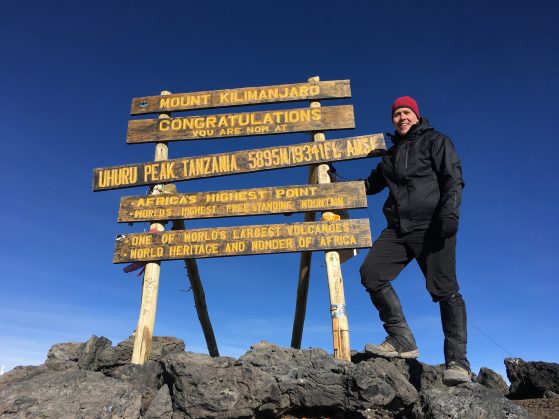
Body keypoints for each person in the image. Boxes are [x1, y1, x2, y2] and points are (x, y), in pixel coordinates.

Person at [359, 96, 470, 385]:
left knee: (445, 290)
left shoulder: (436, 141)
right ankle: (401, 338)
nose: (402, 117)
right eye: (396, 114)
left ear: (417, 116)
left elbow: (452, 177)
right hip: (398, 228)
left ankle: (457, 362)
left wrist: (450, 213)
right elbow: (370, 186)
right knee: (371, 273)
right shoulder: (390, 155)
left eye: (406, 112)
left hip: (433, 224)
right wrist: (335, 182)